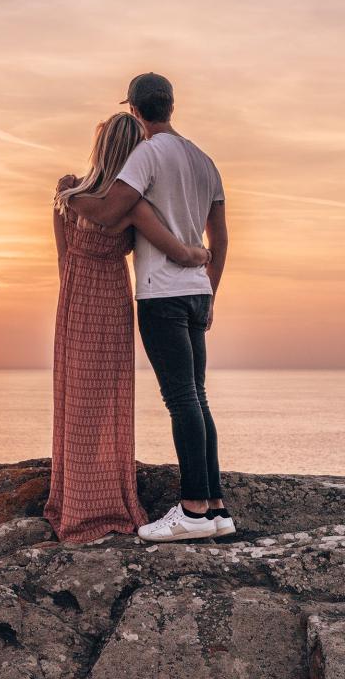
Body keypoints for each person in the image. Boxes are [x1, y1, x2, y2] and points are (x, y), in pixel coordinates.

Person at [62, 73, 234, 543]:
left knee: (182, 400)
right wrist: (210, 290)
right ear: (172, 105)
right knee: (197, 397)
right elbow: (220, 240)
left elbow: (110, 210)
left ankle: (194, 510)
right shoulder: (204, 160)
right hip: (198, 292)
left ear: (135, 110)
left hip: (162, 294)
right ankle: (216, 507)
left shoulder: (147, 154)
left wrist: (70, 193)